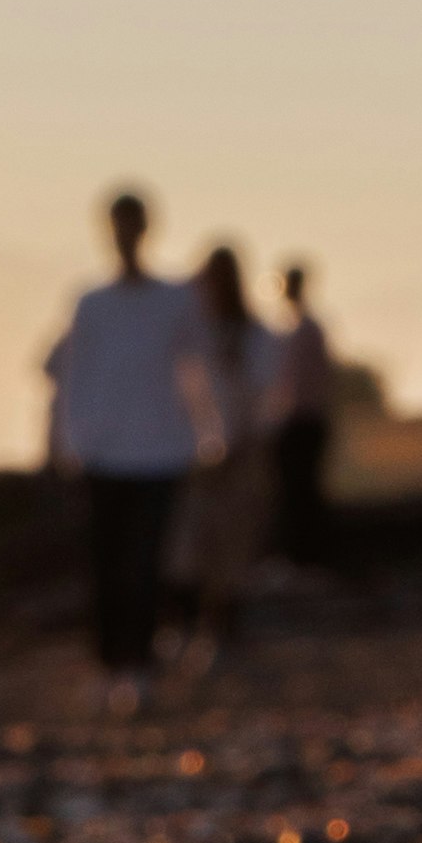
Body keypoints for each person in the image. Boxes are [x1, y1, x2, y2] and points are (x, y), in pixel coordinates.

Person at [42, 187, 221, 697]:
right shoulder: (91, 304)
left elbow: (199, 371)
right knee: (105, 562)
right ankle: (109, 662)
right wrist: (67, 441)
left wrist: (213, 435)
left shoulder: (176, 300)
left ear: (144, 229)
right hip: (103, 454)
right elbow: (75, 377)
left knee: (146, 560)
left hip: (162, 451)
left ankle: (136, 665)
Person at [173, 240, 277, 657]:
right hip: (196, 457)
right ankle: (189, 625)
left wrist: (243, 441)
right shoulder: (193, 337)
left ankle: (222, 629)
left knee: (231, 547)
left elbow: (264, 397)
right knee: (190, 546)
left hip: (242, 453)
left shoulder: (253, 336)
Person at [265, 259, 336, 568]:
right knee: (291, 492)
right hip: (292, 422)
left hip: (305, 421)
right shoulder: (290, 329)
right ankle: (301, 555)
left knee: (302, 491)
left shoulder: (308, 329)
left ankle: (309, 557)